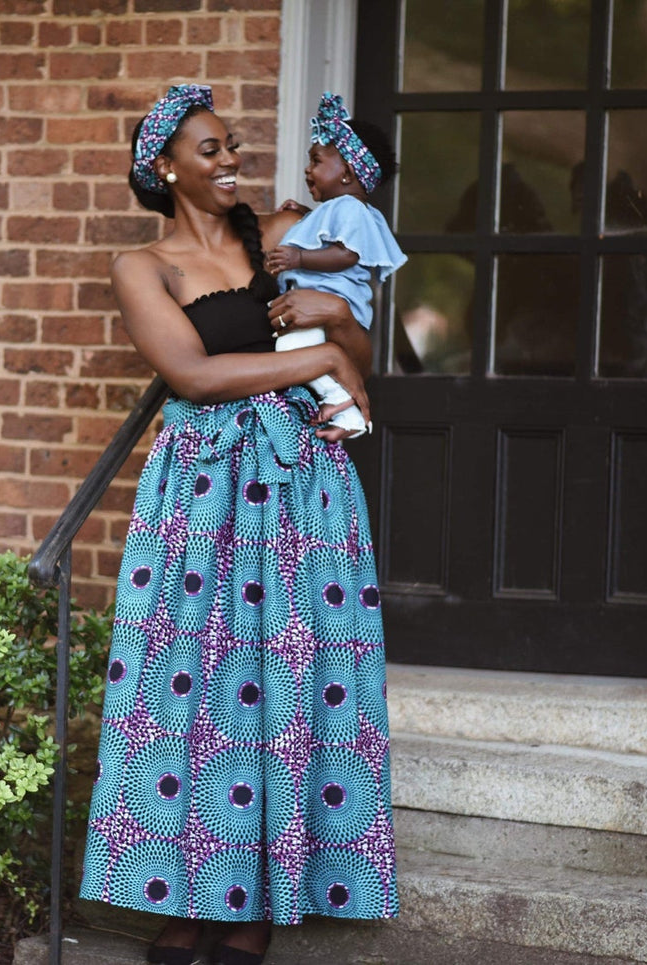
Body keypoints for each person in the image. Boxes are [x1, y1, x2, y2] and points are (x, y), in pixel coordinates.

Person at [78, 84, 398, 965]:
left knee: (284, 682)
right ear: (164, 167)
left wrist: (337, 328)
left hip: (301, 483)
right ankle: (185, 892)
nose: (230, 162)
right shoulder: (144, 269)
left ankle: (257, 897)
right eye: (210, 150)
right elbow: (189, 374)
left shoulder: (287, 235)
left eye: (231, 147)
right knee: (190, 685)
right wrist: (323, 356)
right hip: (202, 490)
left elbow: (359, 353)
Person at [263, 93, 406, 437]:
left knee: (289, 350)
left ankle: (345, 405)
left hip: (331, 305)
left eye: (316, 161)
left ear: (347, 174)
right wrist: (304, 213)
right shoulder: (343, 209)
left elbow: (347, 254)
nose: (307, 169)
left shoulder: (351, 210)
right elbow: (329, 233)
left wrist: (299, 257)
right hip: (317, 306)